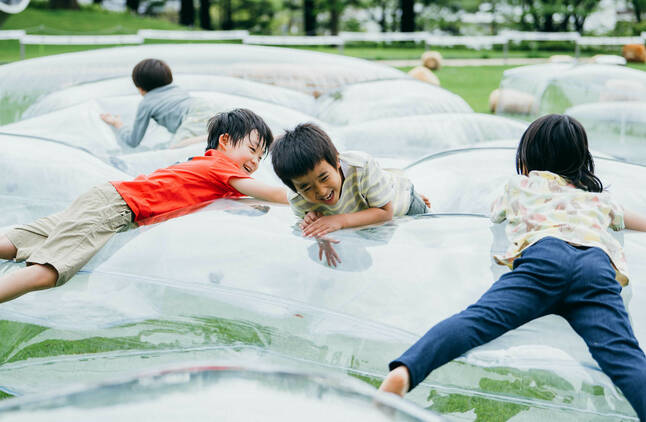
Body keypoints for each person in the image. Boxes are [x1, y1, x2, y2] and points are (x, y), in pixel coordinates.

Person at [0, 108, 287, 356]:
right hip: (115, 209)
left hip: (106, 198)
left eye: (261, 156)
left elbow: (215, 198)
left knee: (16, 241)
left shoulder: (212, 169)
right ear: (224, 143)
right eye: (253, 150)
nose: (255, 161)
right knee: (48, 270)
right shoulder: (222, 167)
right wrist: (317, 195)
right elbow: (271, 192)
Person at [379, 114, 646, 419]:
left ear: (527, 158)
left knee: (477, 320)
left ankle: (405, 371)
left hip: (545, 259)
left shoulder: (520, 186)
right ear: (581, 161)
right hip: (595, 267)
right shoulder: (598, 200)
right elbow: (638, 221)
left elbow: (496, 216)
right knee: (623, 353)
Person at [271, 123, 430, 267]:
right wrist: (315, 229)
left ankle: (411, 192)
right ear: (295, 188)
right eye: (306, 187)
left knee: (428, 236)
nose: (320, 191)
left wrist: (339, 221)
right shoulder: (297, 199)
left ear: (337, 161)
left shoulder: (361, 166)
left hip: (401, 203)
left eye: (324, 178)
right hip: (364, 214)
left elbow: (385, 213)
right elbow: (317, 229)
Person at [100, 58, 210, 149]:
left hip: (194, 115)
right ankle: (218, 136)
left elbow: (133, 141)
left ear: (140, 88)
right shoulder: (177, 89)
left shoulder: (146, 103)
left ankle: (210, 137)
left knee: (174, 150)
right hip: (208, 107)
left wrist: (118, 124)